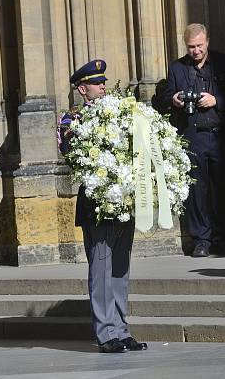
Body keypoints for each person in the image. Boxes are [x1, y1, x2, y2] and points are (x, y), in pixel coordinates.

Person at [58, 60, 147, 354]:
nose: (103, 87)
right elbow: (72, 153)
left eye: (104, 82)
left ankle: (121, 329)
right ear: (82, 88)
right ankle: (105, 332)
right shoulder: (71, 120)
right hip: (96, 203)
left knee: (120, 267)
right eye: (96, 83)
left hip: (123, 199)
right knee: (102, 267)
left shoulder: (121, 114)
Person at [161, 23, 225, 257]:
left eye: (199, 46)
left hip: (220, 136)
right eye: (191, 47)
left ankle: (222, 239)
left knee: (222, 190)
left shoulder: (224, 62)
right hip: (192, 137)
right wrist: (175, 100)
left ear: (208, 41)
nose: (196, 51)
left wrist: (216, 99)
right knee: (196, 192)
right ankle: (201, 240)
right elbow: (165, 97)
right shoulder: (177, 68)